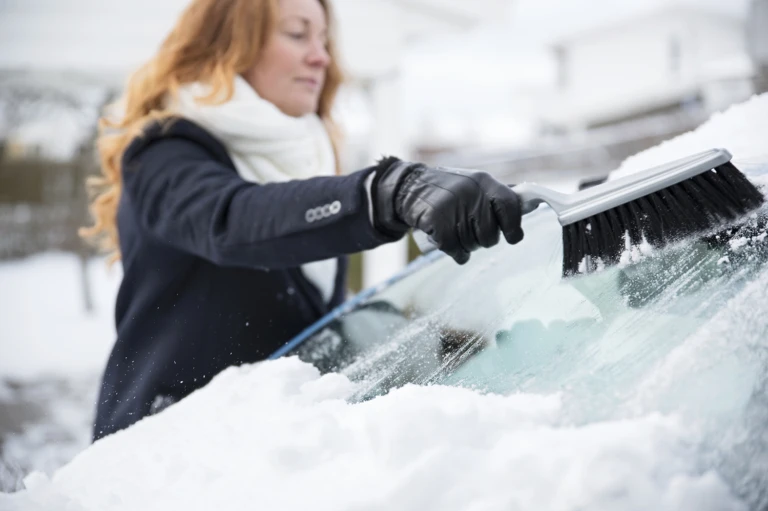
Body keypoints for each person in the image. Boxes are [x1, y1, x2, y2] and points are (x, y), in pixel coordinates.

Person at [81, 0, 525, 440]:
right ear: (229, 43)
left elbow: (311, 326)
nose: (321, 56)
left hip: (268, 457)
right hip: (164, 461)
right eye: (297, 34)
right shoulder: (162, 153)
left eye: (323, 38)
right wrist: (382, 193)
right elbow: (232, 220)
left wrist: (436, 342)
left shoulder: (303, 161)